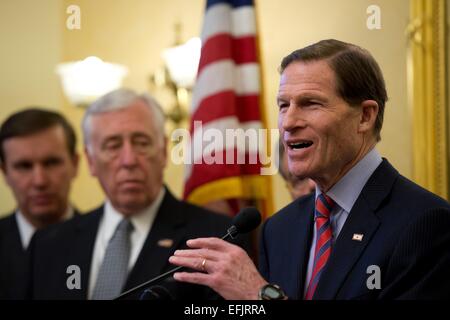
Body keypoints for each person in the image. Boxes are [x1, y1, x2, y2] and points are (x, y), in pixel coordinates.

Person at [169, 39, 450, 300]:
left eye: (310, 103)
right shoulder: (278, 229)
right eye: (283, 105)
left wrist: (261, 296)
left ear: (365, 116)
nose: (288, 122)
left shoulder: (425, 223)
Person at [30, 88, 249, 300]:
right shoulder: (50, 243)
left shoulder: (216, 237)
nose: (129, 160)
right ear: (90, 161)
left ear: (163, 151)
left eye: (141, 143)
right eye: (112, 145)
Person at [0, 108, 79, 299]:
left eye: (51, 163)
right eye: (24, 166)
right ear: (4, 172)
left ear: (75, 164)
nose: (40, 181)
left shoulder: (105, 245)